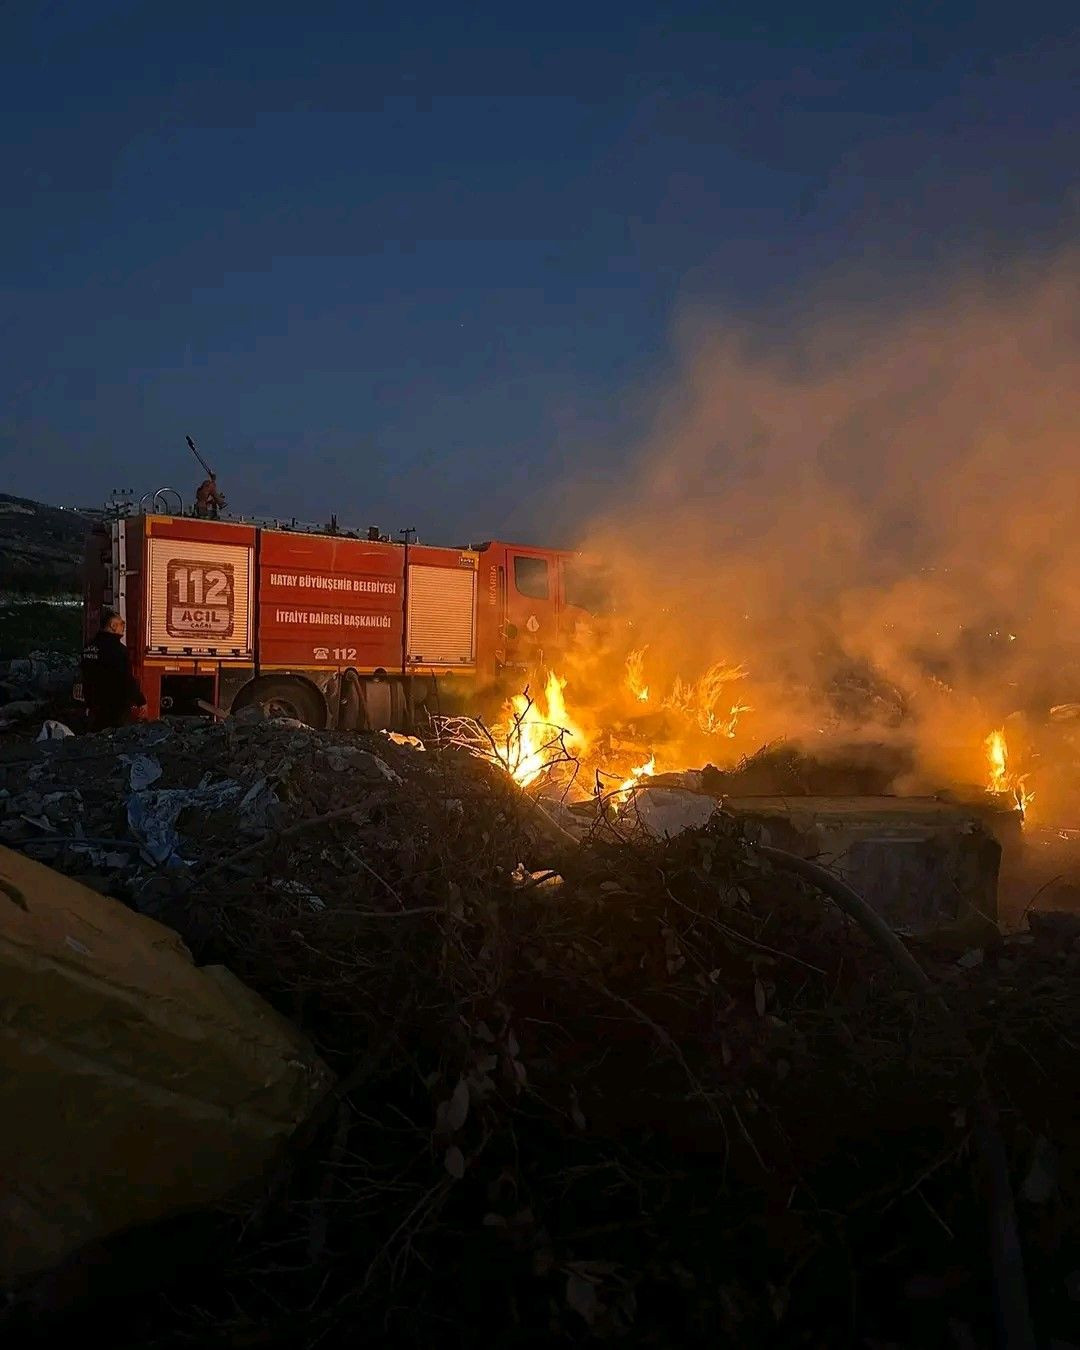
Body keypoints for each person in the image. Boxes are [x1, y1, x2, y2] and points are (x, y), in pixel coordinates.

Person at [81, 610, 146, 731]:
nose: (124, 628)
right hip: (116, 708)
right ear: (113, 625)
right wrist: (140, 700)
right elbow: (127, 678)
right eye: (122, 624)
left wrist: (88, 702)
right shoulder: (119, 650)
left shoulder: (89, 648)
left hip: (94, 706)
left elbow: (85, 676)